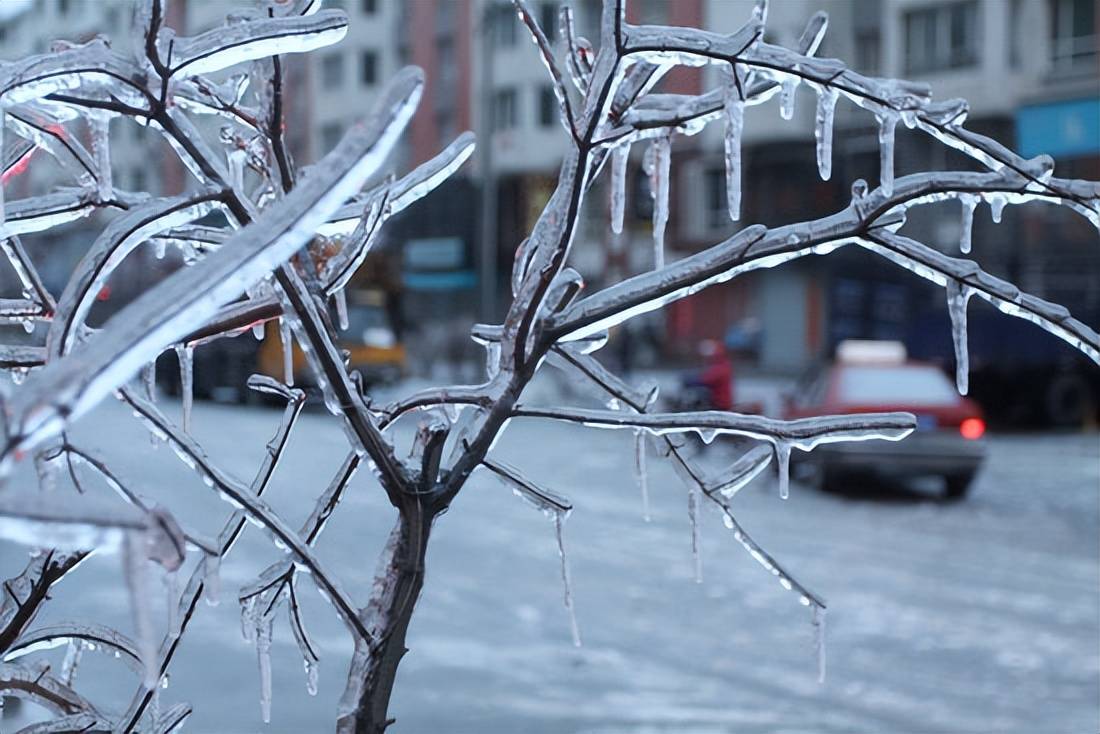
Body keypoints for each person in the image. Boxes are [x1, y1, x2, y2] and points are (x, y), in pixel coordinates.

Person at [683, 339, 734, 411]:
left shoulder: (721, 368)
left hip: (720, 405)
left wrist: (689, 380)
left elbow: (706, 380)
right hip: (716, 401)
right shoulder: (721, 366)